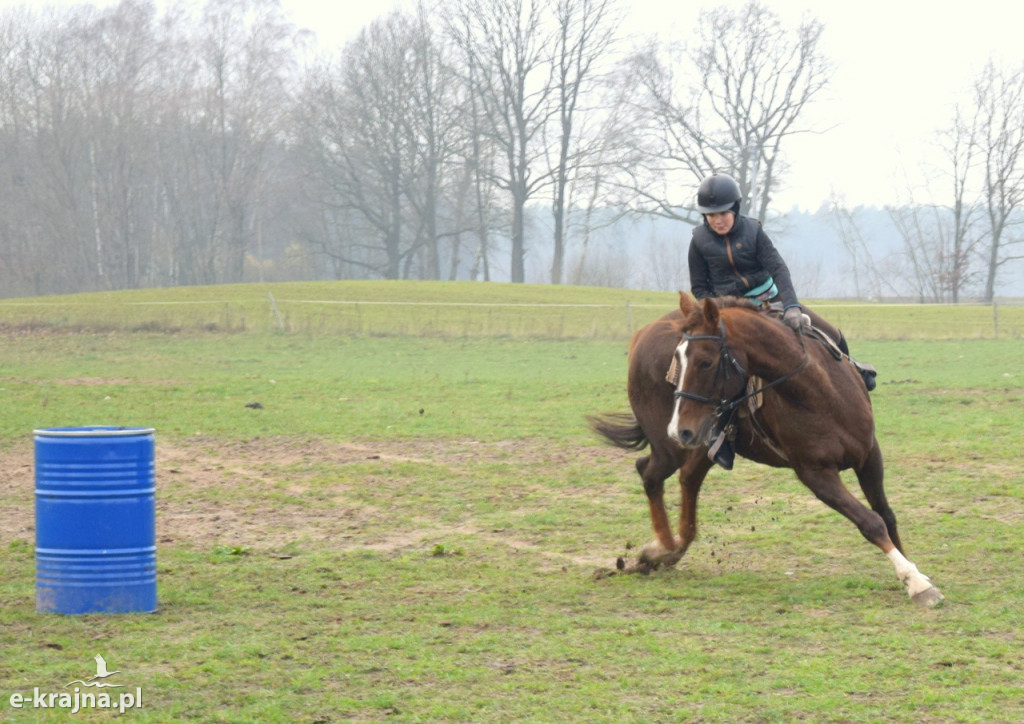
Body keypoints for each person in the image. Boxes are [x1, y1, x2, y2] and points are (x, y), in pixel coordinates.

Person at [686, 172, 876, 469]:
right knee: (730, 371)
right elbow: (699, 288)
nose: (717, 220)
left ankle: (853, 370)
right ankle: (720, 432)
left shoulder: (753, 232)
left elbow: (779, 269)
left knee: (830, 332)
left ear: (734, 209)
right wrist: (721, 315)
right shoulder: (698, 242)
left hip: (771, 302)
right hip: (733, 315)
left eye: (722, 213)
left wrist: (791, 307)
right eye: (711, 215)